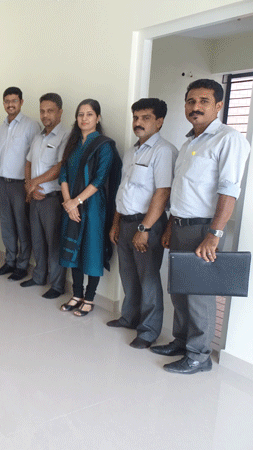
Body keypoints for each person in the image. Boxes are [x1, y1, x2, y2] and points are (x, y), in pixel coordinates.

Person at [152, 79, 250, 374]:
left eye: (204, 101)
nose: (195, 107)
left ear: (218, 105)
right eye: (191, 101)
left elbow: (228, 191)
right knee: (179, 291)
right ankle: (181, 342)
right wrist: (171, 225)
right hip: (181, 226)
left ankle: (199, 355)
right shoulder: (189, 143)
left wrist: (214, 234)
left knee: (199, 296)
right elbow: (184, 191)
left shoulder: (228, 139)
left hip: (204, 230)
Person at [108, 98, 177, 349]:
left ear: (159, 122)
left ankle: (148, 331)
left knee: (148, 279)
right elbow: (123, 191)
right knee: (128, 275)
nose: (138, 122)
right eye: (136, 117)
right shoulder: (132, 151)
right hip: (126, 221)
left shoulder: (163, 151)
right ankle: (129, 317)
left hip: (147, 225)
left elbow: (163, 192)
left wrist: (145, 229)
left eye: (145, 118)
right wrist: (116, 223)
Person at [58, 99, 122, 317]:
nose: (84, 118)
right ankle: (76, 294)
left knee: (92, 249)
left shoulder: (104, 145)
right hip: (71, 206)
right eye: (80, 114)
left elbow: (100, 179)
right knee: (73, 249)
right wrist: (68, 203)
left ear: (98, 118)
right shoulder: (73, 144)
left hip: (93, 206)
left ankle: (90, 298)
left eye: (89, 114)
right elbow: (63, 175)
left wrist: (76, 202)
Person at [22, 93, 69, 299]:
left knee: (54, 243)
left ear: (60, 112)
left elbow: (60, 167)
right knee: (38, 240)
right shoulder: (38, 137)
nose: (45, 115)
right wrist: (29, 186)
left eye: (50, 111)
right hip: (35, 197)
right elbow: (28, 163)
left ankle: (57, 285)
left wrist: (34, 183)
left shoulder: (65, 136)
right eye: (42, 111)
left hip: (52, 199)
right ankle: (39, 276)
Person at [0, 87, 41, 281]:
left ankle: (22, 265)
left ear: (21, 102)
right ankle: (10, 261)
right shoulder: (2, 127)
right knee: (7, 226)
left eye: (14, 100)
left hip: (21, 185)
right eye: (7, 101)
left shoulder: (31, 125)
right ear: (3, 103)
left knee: (22, 226)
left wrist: (30, 186)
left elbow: (36, 157)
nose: (10, 104)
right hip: (3, 182)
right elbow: (0, 158)